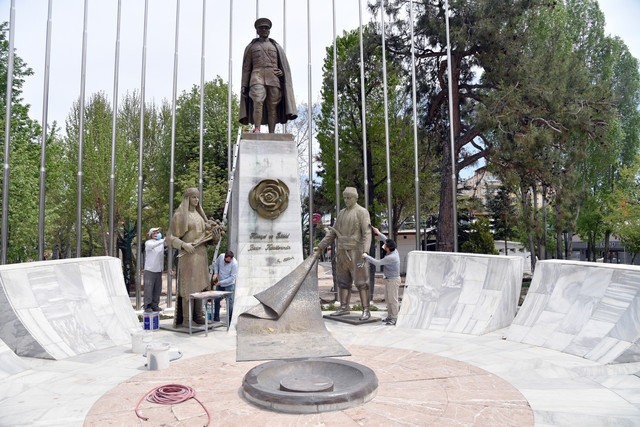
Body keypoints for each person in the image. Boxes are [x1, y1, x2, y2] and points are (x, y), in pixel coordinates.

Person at [166, 188, 223, 327]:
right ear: (187, 199)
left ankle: (198, 315)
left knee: (201, 286)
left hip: (201, 254)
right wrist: (183, 244)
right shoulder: (180, 215)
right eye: (193, 197)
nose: (196, 200)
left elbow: (207, 239)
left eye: (197, 198)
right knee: (189, 287)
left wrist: (215, 236)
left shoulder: (200, 216)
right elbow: (170, 237)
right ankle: (186, 319)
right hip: (188, 256)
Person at [315, 187, 372, 320]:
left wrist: (365, 251)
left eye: (349, 198)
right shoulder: (341, 213)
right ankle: (344, 307)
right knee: (343, 281)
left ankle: (366, 310)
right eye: (345, 198)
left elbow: (367, 233)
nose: (346, 200)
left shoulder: (362, 212)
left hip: (356, 252)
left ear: (355, 198)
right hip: (341, 252)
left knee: (361, 282)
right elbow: (332, 233)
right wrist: (320, 247)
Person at [239, 17, 297, 133]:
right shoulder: (251, 47)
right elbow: (246, 68)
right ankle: (257, 129)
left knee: (272, 106)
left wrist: (282, 73)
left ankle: (272, 132)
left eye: (266, 28)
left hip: (273, 78)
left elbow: (283, 65)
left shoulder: (276, 47)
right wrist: (244, 84)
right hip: (257, 77)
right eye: (262, 28)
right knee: (257, 101)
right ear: (258, 31)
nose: (264, 30)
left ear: (269, 30)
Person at [362, 226, 401, 326]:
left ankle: (394, 318)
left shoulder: (392, 257)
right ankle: (390, 316)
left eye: (385, 245)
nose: (384, 245)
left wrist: (367, 257)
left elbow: (377, 263)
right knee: (388, 299)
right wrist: (378, 233)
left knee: (393, 300)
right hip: (389, 279)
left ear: (388, 248)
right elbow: (385, 239)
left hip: (393, 280)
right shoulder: (393, 249)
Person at [210, 250, 238, 323]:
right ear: (224, 257)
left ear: (231, 259)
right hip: (220, 282)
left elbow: (232, 277)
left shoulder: (234, 264)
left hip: (229, 284)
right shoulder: (221, 256)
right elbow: (216, 264)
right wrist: (216, 273)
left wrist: (221, 282)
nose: (226, 262)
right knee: (217, 299)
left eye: (228, 262)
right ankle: (216, 317)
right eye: (225, 261)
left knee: (229, 302)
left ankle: (230, 319)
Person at [143, 227, 165, 312]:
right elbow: (153, 245)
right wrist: (162, 240)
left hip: (158, 270)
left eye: (158, 232)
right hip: (150, 270)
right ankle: (147, 306)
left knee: (157, 289)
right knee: (148, 289)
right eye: (156, 232)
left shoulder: (161, 243)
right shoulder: (148, 243)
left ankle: (155, 305)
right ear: (152, 234)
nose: (158, 233)